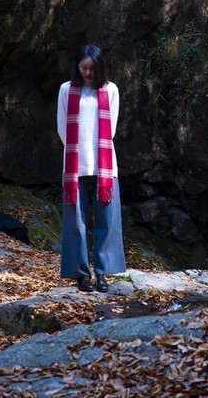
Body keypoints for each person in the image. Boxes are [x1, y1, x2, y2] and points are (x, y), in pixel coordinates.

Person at [57, 44, 126, 293]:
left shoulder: (111, 90)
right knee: (76, 222)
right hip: (76, 165)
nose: (87, 72)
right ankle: (81, 275)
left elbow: (113, 129)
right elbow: (62, 128)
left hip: (105, 166)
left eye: (92, 68)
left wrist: (96, 156)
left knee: (106, 220)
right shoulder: (66, 89)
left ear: (100, 68)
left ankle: (103, 273)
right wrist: (79, 154)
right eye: (83, 68)